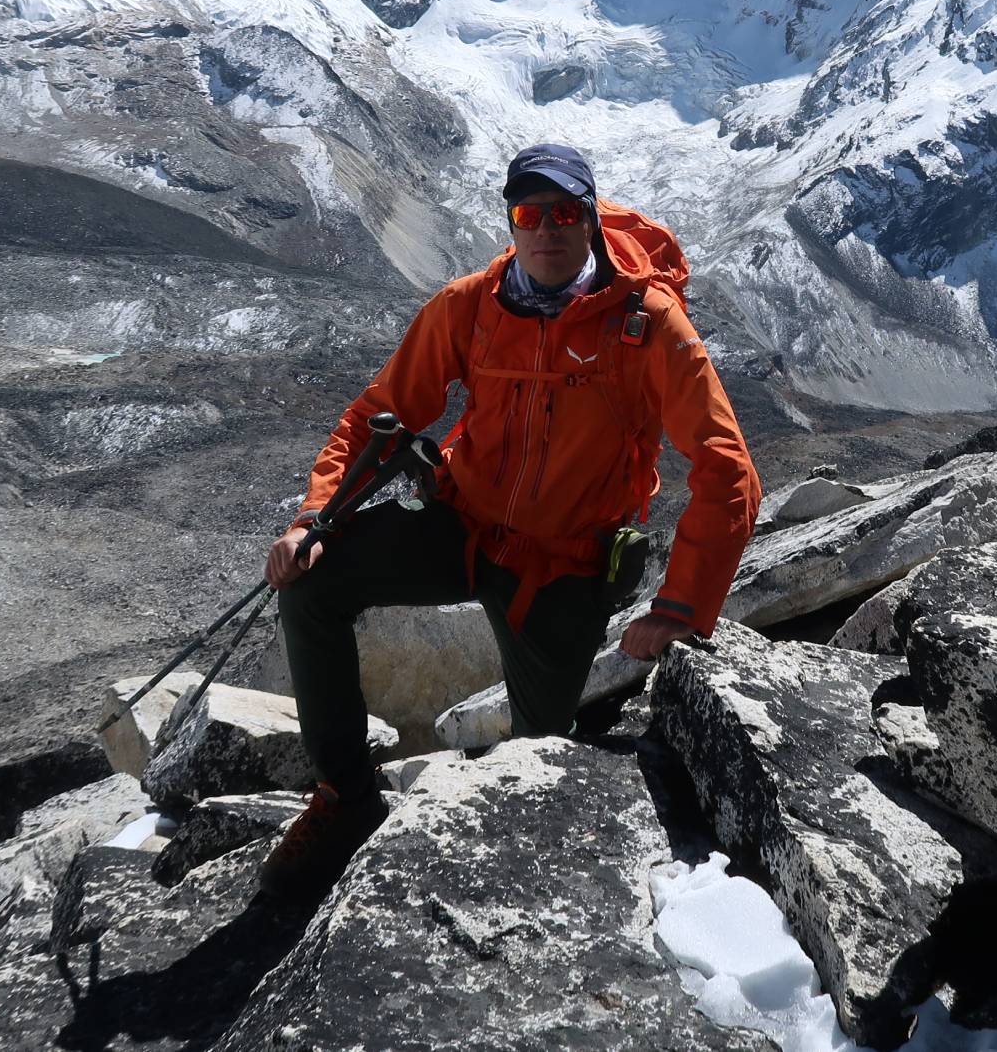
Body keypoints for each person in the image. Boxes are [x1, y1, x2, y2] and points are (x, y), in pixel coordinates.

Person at [253, 143, 763, 899]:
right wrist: (313, 517)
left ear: (588, 219)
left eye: (564, 212)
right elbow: (376, 416)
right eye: (530, 213)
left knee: (541, 757)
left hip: (562, 565)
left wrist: (679, 608)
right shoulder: (472, 303)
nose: (547, 228)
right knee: (311, 585)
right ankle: (344, 798)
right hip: (462, 522)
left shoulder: (646, 322)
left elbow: (728, 466)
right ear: (512, 222)